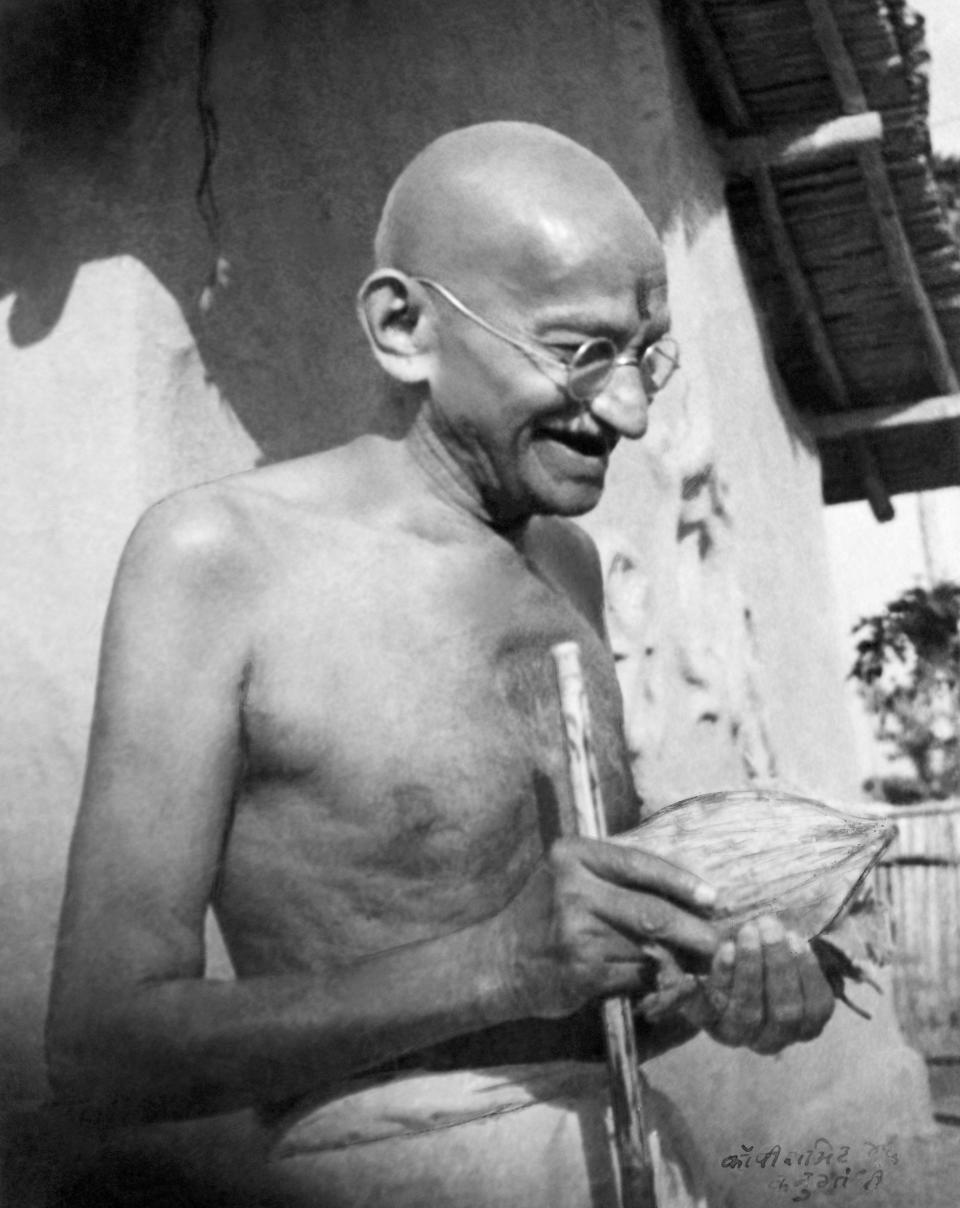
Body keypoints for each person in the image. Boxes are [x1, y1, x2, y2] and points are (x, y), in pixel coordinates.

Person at [46, 122, 834, 1206]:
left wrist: (715, 987)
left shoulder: (565, 565)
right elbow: (100, 1051)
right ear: (406, 326)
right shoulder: (219, 557)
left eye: (645, 357)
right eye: (579, 351)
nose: (629, 413)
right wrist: (496, 962)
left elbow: (575, 997)